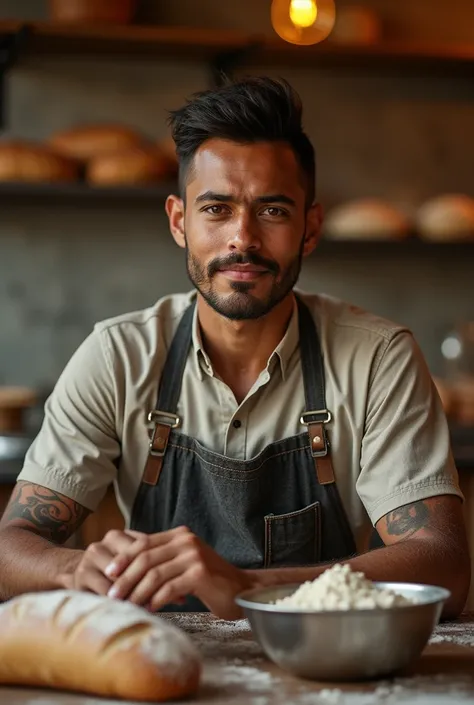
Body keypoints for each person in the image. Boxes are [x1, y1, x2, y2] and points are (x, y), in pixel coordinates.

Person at [0, 78, 469, 620]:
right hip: (156, 664)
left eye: (272, 211)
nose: (242, 238)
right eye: (217, 209)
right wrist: (71, 570)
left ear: (309, 228)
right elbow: (11, 548)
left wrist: (247, 585)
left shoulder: (377, 358)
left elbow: (445, 566)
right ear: (180, 221)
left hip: (322, 669)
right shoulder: (118, 356)